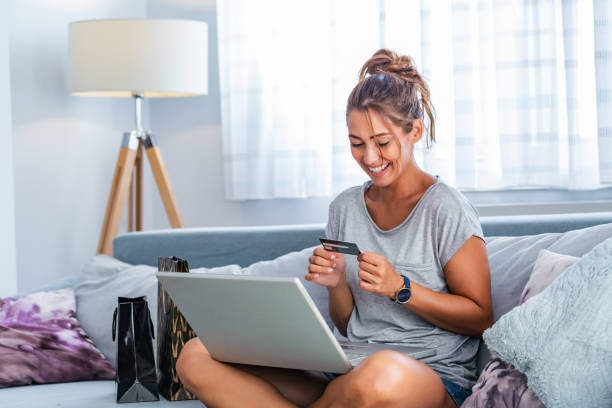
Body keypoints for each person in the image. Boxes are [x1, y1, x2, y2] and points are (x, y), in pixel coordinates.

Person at [176, 48, 493, 408]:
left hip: (426, 377)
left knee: (381, 373)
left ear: (415, 131)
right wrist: (337, 283)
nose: (370, 158)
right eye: (357, 144)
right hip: (346, 373)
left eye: (382, 143)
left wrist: (402, 288)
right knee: (197, 354)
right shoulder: (344, 208)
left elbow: (481, 318)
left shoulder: (446, 208)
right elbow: (346, 325)